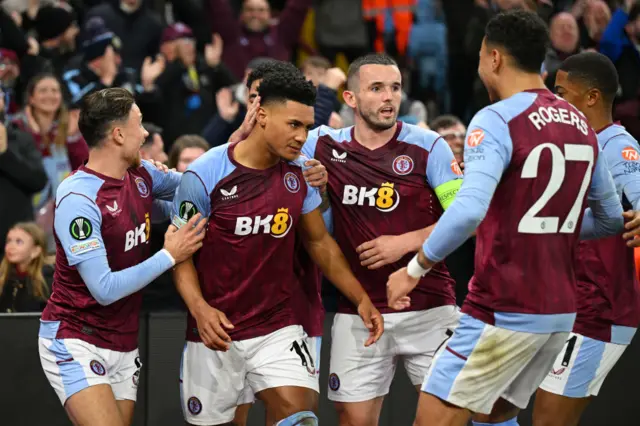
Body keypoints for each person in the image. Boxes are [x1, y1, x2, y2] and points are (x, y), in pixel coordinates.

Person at [386, 10, 636, 426]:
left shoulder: (496, 118)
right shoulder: (581, 124)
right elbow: (610, 219)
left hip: (502, 307)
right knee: (494, 418)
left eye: (482, 55)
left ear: (495, 58)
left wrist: (414, 268)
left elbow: (468, 209)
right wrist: (548, 225)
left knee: (433, 418)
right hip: (558, 314)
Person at [171, 67, 383, 426]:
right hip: (214, 329)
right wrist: (200, 309)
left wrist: (361, 297)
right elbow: (180, 257)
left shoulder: (299, 174)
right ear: (262, 115)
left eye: (307, 126)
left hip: (277, 326)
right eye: (294, 125)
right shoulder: (204, 174)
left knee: (299, 414)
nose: (302, 137)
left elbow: (319, 242)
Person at [301, 52, 462, 426]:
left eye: (395, 88)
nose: (389, 97)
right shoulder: (323, 146)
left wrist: (403, 242)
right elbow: (268, 147)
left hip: (430, 306)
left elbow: (466, 217)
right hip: (359, 308)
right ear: (351, 98)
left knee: (443, 420)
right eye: (376, 88)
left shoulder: (429, 146)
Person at [37, 88, 205, 426]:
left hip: (124, 340)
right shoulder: (77, 198)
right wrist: (169, 255)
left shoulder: (141, 175)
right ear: (117, 134)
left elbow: (200, 186)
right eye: (140, 125)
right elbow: (104, 288)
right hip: (77, 336)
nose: (146, 135)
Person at [534, 52, 640, 426]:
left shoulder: (616, 145)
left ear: (592, 97)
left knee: (548, 419)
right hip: (567, 303)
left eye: (561, 92)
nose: (554, 101)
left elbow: (638, 190)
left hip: (601, 309)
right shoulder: (571, 145)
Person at [0, 222, 52, 313]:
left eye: (19, 242)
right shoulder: (4, 277)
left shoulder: (49, 281)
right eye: (8, 241)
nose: (11, 247)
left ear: (35, 251)